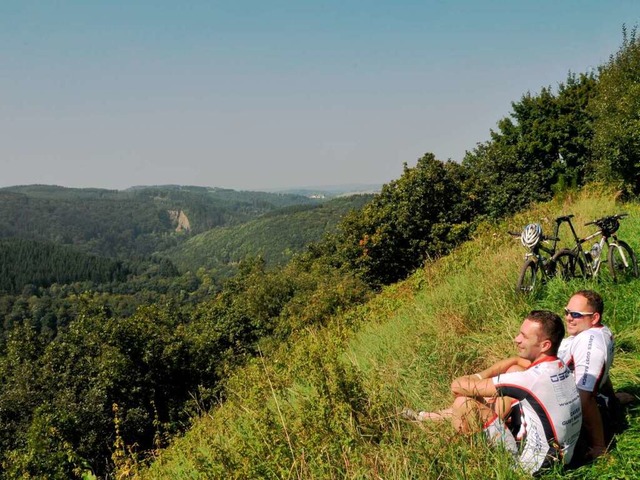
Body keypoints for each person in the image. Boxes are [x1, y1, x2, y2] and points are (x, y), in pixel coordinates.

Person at [403, 310, 582, 475]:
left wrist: (477, 377)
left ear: (544, 345)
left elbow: (457, 386)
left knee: (464, 403)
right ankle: (428, 418)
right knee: (511, 373)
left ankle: (466, 456)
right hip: (562, 457)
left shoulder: (531, 379)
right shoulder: (559, 367)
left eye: (524, 336)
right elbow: (516, 361)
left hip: (531, 469)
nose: (516, 339)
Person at [558, 290, 618, 460]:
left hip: (568, 409)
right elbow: (600, 375)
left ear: (594, 318)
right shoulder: (603, 331)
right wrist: (613, 400)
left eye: (576, 314)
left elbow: (585, 397)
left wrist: (598, 446)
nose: (569, 318)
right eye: (567, 312)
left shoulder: (588, 343)